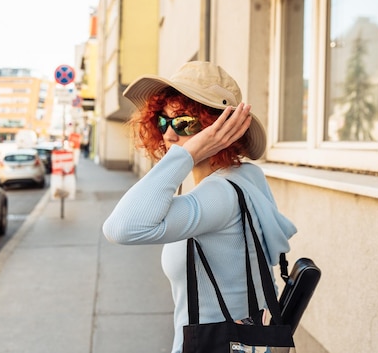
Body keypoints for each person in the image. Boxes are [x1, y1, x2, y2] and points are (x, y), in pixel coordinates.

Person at [102, 61, 297, 353]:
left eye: (183, 123)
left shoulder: (221, 194)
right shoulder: (243, 177)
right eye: (164, 122)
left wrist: (186, 155)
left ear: (217, 127)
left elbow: (121, 228)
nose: (169, 135)